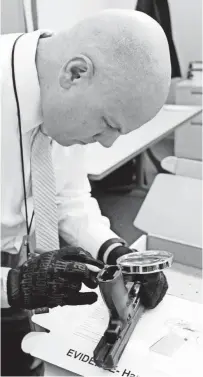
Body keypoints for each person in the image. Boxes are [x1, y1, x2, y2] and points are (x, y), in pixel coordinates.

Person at [1, 9, 171, 376]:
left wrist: (116, 252)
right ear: (75, 72)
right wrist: (11, 286)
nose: (108, 144)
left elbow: (67, 197)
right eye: (108, 124)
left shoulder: (61, 98)